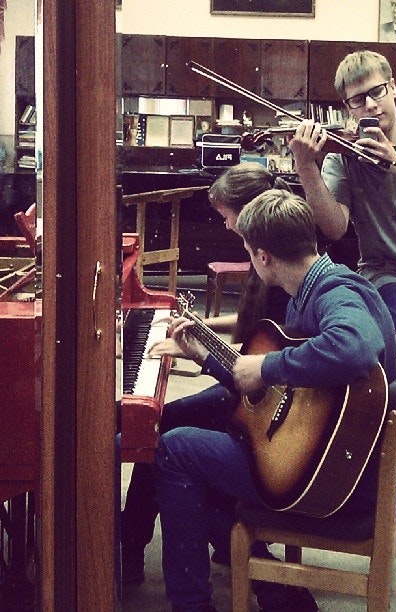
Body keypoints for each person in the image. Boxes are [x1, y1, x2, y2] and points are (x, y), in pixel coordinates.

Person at [152, 190, 396, 612]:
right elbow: (284, 395)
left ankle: (193, 605)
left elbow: (355, 347)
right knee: (205, 465)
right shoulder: (312, 288)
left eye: (249, 252)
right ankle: (279, 594)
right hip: (327, 461)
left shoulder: (335, 292)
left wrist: (268, 367)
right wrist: (207, 359)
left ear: (263, 257)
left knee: (175, 449)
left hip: (337, 480)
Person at [120, 163, 319, 610]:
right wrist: (202, 327)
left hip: (261, 401)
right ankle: (138, 541)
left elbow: (255, 368)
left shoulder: (280, 273)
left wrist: (202, 352)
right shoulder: (268, 259)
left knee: (163, 432)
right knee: (162, 426)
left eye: (227, 216)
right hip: (252, 383)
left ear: (250, 215)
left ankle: (131, 544)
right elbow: (251, 328)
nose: (225, 225)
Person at [289, 50, 396, 354]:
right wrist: (306, 166)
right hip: (384, 273)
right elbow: (334, 228)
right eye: (357, 100)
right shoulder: (343, 156)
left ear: (393, 88)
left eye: (377, 92)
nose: (370, 104)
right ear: (348, 108)